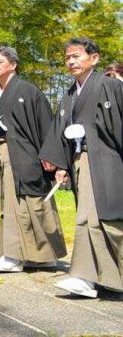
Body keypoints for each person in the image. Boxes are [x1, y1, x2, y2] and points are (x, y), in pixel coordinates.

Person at [40, 38, 123, 298]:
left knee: (104, 219)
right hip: (81, 161)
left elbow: (117, 125)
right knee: (87, 218)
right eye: (67, 58)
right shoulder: (70, 93)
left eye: (76, 56)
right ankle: (92, 277)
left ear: (94, 58)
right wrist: (61, 163)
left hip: (106, 160)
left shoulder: (108, 85)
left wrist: (89, 131)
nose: (71, 61)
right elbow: (60, 129)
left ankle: (88, 276)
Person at [0, 46, 66, 273]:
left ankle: (45, 256)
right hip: (3, 152)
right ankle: (14, 255)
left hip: (28, 154)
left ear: (13, 65)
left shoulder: (29, 90)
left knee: (34, 200)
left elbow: (47, 125)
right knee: (11, 203)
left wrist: (50, 155)